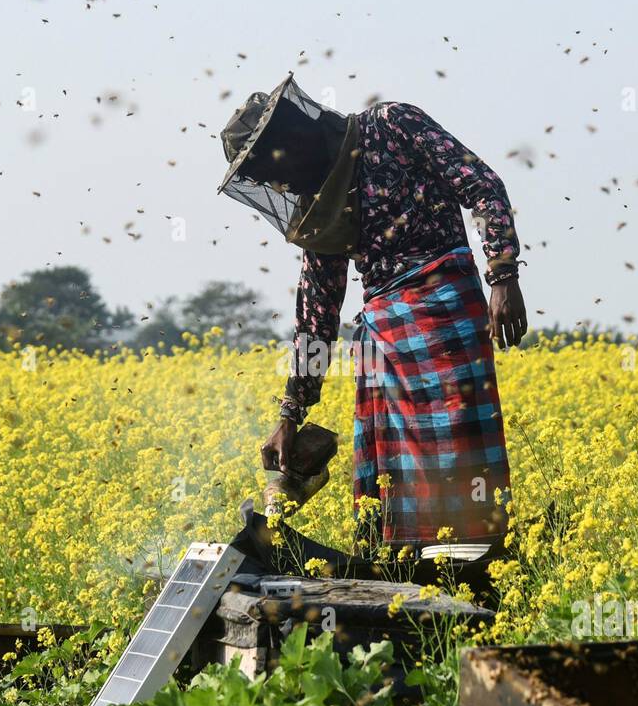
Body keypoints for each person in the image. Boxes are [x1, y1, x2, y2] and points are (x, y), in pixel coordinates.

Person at [219, 75, 526, 578]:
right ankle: (407, 579)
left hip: (446, 319)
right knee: (392, 482)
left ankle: (476, 572)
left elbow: (483, 185)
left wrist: (503, 274)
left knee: (458, 456)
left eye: (275, 170)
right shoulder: (320, 208)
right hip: (383, 344)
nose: (282, 185)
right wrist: (290, 415)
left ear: (293, 138)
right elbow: (315, 317)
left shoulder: (392, 125)